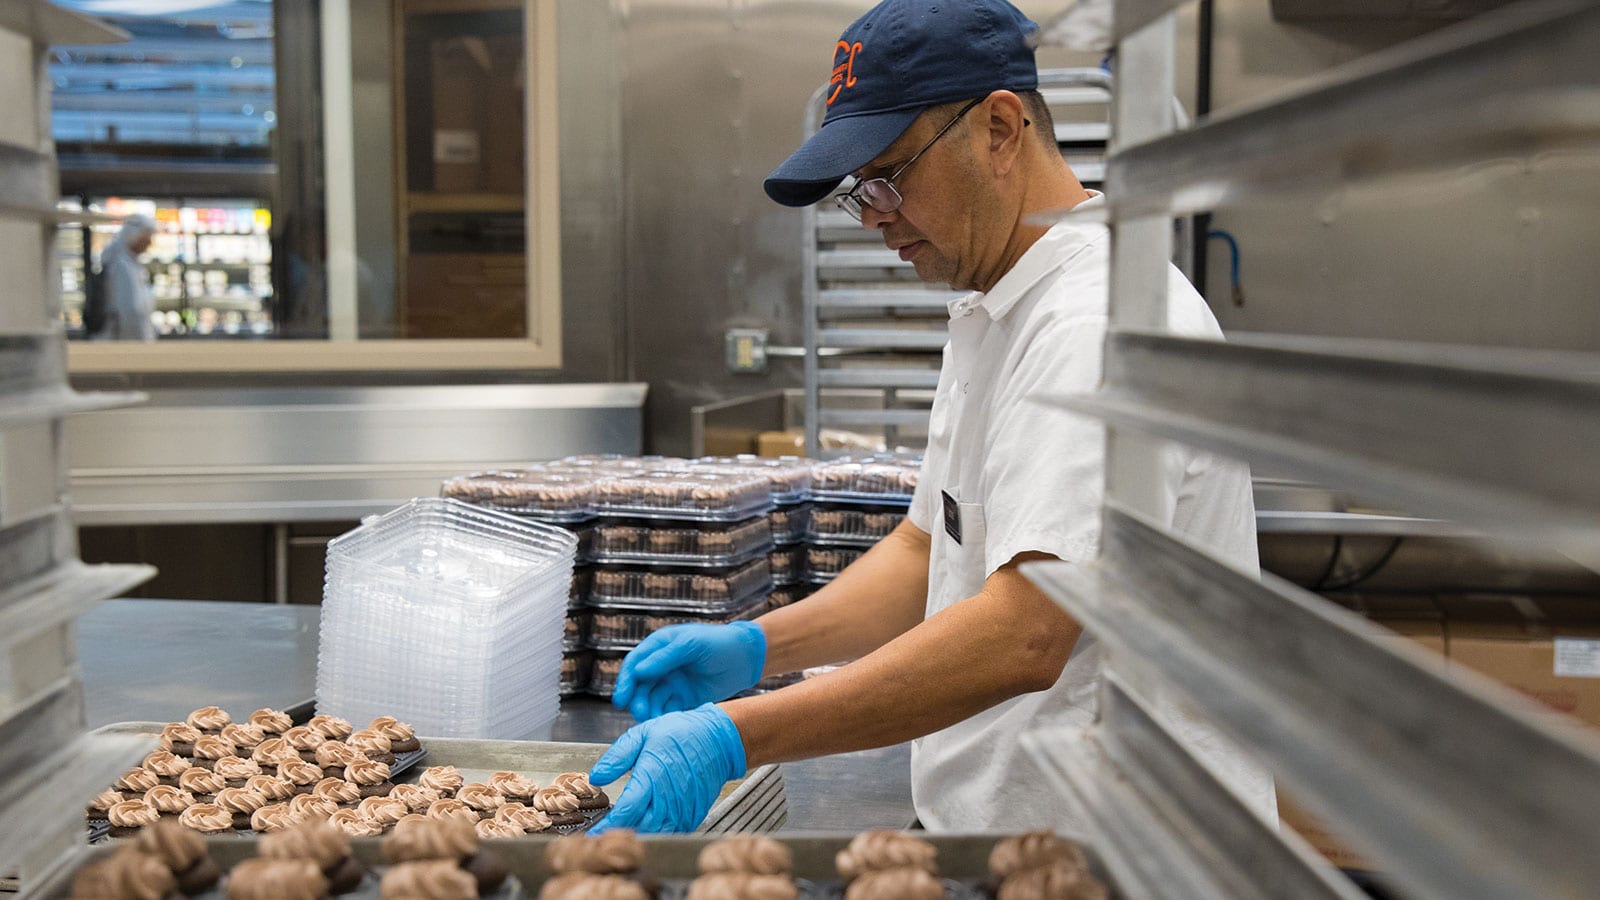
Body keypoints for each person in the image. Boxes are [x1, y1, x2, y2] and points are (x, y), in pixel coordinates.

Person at [588, 0, 1273, 834]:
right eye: (858, 192)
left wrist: (740, 735)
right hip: (1005, 840)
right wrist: (761, 649)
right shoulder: (995, 304)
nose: (874, 213)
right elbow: (930, 550)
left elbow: (1027, 630)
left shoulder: (1097, 324)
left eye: (888, 175)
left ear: (999, 129)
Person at [92, 214, 158, 341]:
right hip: (126, 342)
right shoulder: (120, 265)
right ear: (134, 235)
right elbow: (130, 310)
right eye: (146, 238)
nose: (149, 243)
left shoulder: (132, 264)